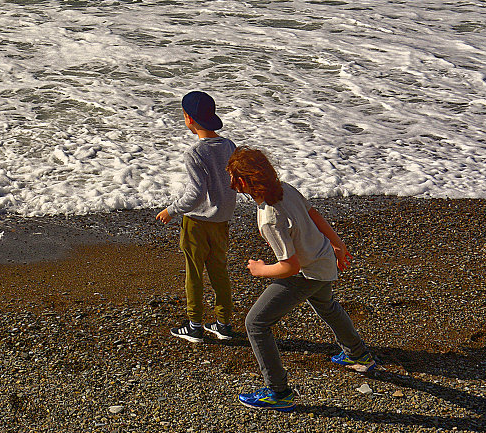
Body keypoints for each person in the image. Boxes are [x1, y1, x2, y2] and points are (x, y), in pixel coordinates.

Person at [226, 147, 376, 412]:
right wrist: (337, 245)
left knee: (256, 323)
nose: (230, 183)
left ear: (248, 181)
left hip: (306, 272)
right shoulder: (285, 188)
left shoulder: (269, 218)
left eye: (235, 178)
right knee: (327, 306)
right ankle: (357, 353)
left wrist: (260, 269)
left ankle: (278, 391)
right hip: (324, 261)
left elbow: (290, 266)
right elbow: (314, 214)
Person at [155, 91, 238, 343]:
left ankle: (194, 325)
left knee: (194, 273)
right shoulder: (229, 146)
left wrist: (172, 210)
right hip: (222, 220)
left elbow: (196, 194)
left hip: (197, 223)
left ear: (188, 119)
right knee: (219, 272)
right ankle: (223, 324)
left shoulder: (194, 153)